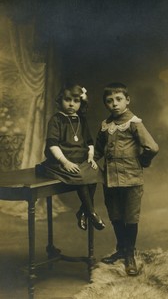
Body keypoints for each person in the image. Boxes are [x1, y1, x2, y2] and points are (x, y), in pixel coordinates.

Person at [94, 82, 159, 275]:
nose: (114, 104)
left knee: (130, 217)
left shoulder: (134, 123)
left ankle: (129, 255)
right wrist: (86, 164)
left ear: (127, 100)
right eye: (109, 101)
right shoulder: (106, 126)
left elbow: (152, 147)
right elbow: (97, 151)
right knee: (115, 215)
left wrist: (142, 162)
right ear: (106, 104)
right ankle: (121, 249)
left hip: (131, 179)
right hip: (110, 180)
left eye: (119, 99)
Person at [39, 83, 105, 231]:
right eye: (67, 99)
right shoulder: (56, 119)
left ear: (81, 103)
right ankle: (92, 212)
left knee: (95, 172)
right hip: (59, 161)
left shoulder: (81, 120)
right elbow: (52, 144)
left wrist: (91, 157)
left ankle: (83, 210)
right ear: (60, 100)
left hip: (80, 160)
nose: (71, 104)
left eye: (76, 101)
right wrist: (65, 162)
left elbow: (89, 142)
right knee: (80, 175)